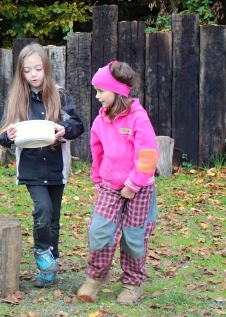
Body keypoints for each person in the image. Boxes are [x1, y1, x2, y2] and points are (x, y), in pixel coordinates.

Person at [0, 44, 84, 288]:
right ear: (21, 73)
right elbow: (3, 137)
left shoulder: (60, 96)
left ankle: (50, 266)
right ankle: (41, 253)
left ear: (46, 68)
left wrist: (64, 130)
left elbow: (78, 125)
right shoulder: (18, 99)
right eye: (27, 70)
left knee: (54, 218)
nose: (33, 74)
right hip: (32, 168)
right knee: (43, 210)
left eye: (38, 69)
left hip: (57, 167)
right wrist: (9, 136)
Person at [77, 61, 159, 305]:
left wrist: (133, 185)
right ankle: (95, 278)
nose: (97, 96)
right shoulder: (100, 122)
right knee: (99, 232)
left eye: (101, 91)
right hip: (110, 187)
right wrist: (97, 181)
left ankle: (133, 284)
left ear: (118, 91)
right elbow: (97, 154)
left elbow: (148, 155)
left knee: (134, 237)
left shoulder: (138, 119)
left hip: (139, 189)